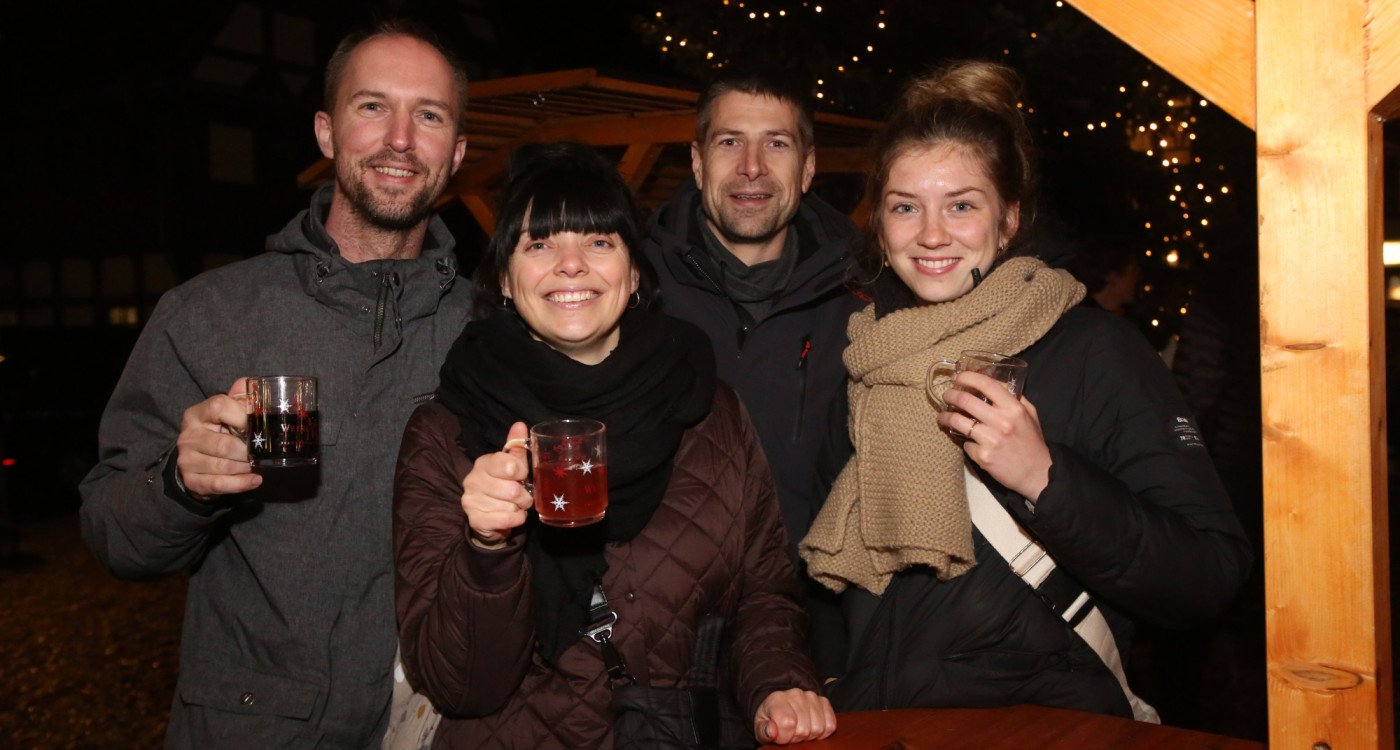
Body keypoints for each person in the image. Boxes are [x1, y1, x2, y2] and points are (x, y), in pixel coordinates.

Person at [799, 61, 1252, 721]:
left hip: (1045, 727)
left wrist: (1046, 479)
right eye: (905, 207)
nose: (931, 234)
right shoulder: (868, 358)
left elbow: (1209, 577)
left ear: (1008, 219)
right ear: (881, 223)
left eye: (961, 205)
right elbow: (827, 585)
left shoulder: (1097, 351)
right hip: (886, 727)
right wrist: (832, 682)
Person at [78, 20, 472, 748]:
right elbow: (112, 533)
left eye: (430, 115)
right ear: (326, 133)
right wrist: (179, 483)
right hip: (255, 729)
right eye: (371, 106)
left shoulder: (490, 331)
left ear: (457, 153)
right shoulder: (207, 314)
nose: (400, 139)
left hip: (434, 729)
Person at [392, 142, 837, 748]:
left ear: (632, 274)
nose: (571, 264)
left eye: (599, 241)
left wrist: (778, 682)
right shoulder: (448, 432)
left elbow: (764, 593)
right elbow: (459, 686)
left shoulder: (708, 405)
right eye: (540, 244)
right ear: (503, 277)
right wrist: (487, 548)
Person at [642, 70, 865, 553]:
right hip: (659, 607)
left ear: (807, 169)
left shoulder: (864, 302)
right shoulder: (630, 288)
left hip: (810, 603)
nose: (752, 167)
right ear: (698, 164)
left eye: (777, 144)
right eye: (729, 142)